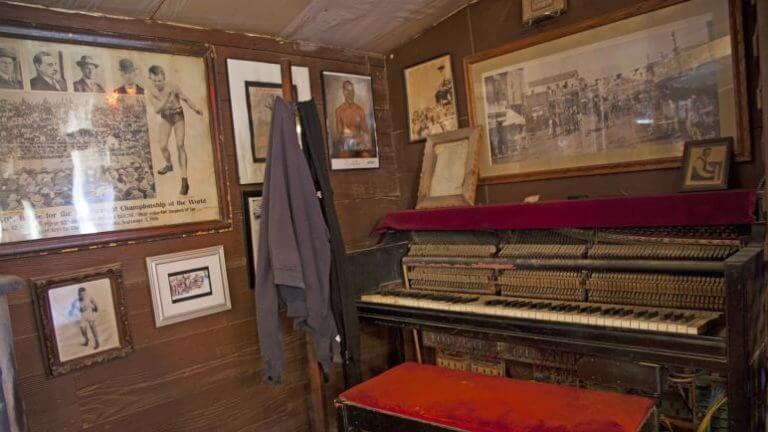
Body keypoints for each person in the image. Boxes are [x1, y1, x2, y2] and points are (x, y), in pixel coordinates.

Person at [147, 65, 203, 196]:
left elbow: (185, 98)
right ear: (151, 79)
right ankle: (168, 164)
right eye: (154, 81)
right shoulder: (151, 91)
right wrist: (166, 99)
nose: (157, 83)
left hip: (177, 116)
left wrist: (195, 108)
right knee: (162, 145)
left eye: (159, 80)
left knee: (180, 145)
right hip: (165, 117)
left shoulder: (173, 86)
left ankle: (184, 180)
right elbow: (156, 110)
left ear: (164, 78)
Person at [333, 80, 372, 157]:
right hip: (346, 144)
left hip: (359, 143)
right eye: (347, 90)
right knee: (344, 154)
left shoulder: (359, 110)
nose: (350, 93)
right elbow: (339, 133)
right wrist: (349, 139)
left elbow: (366, 131)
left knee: (366, 156)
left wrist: (363, 140)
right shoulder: (339, 111)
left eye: (352, 90)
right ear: (343, 92)